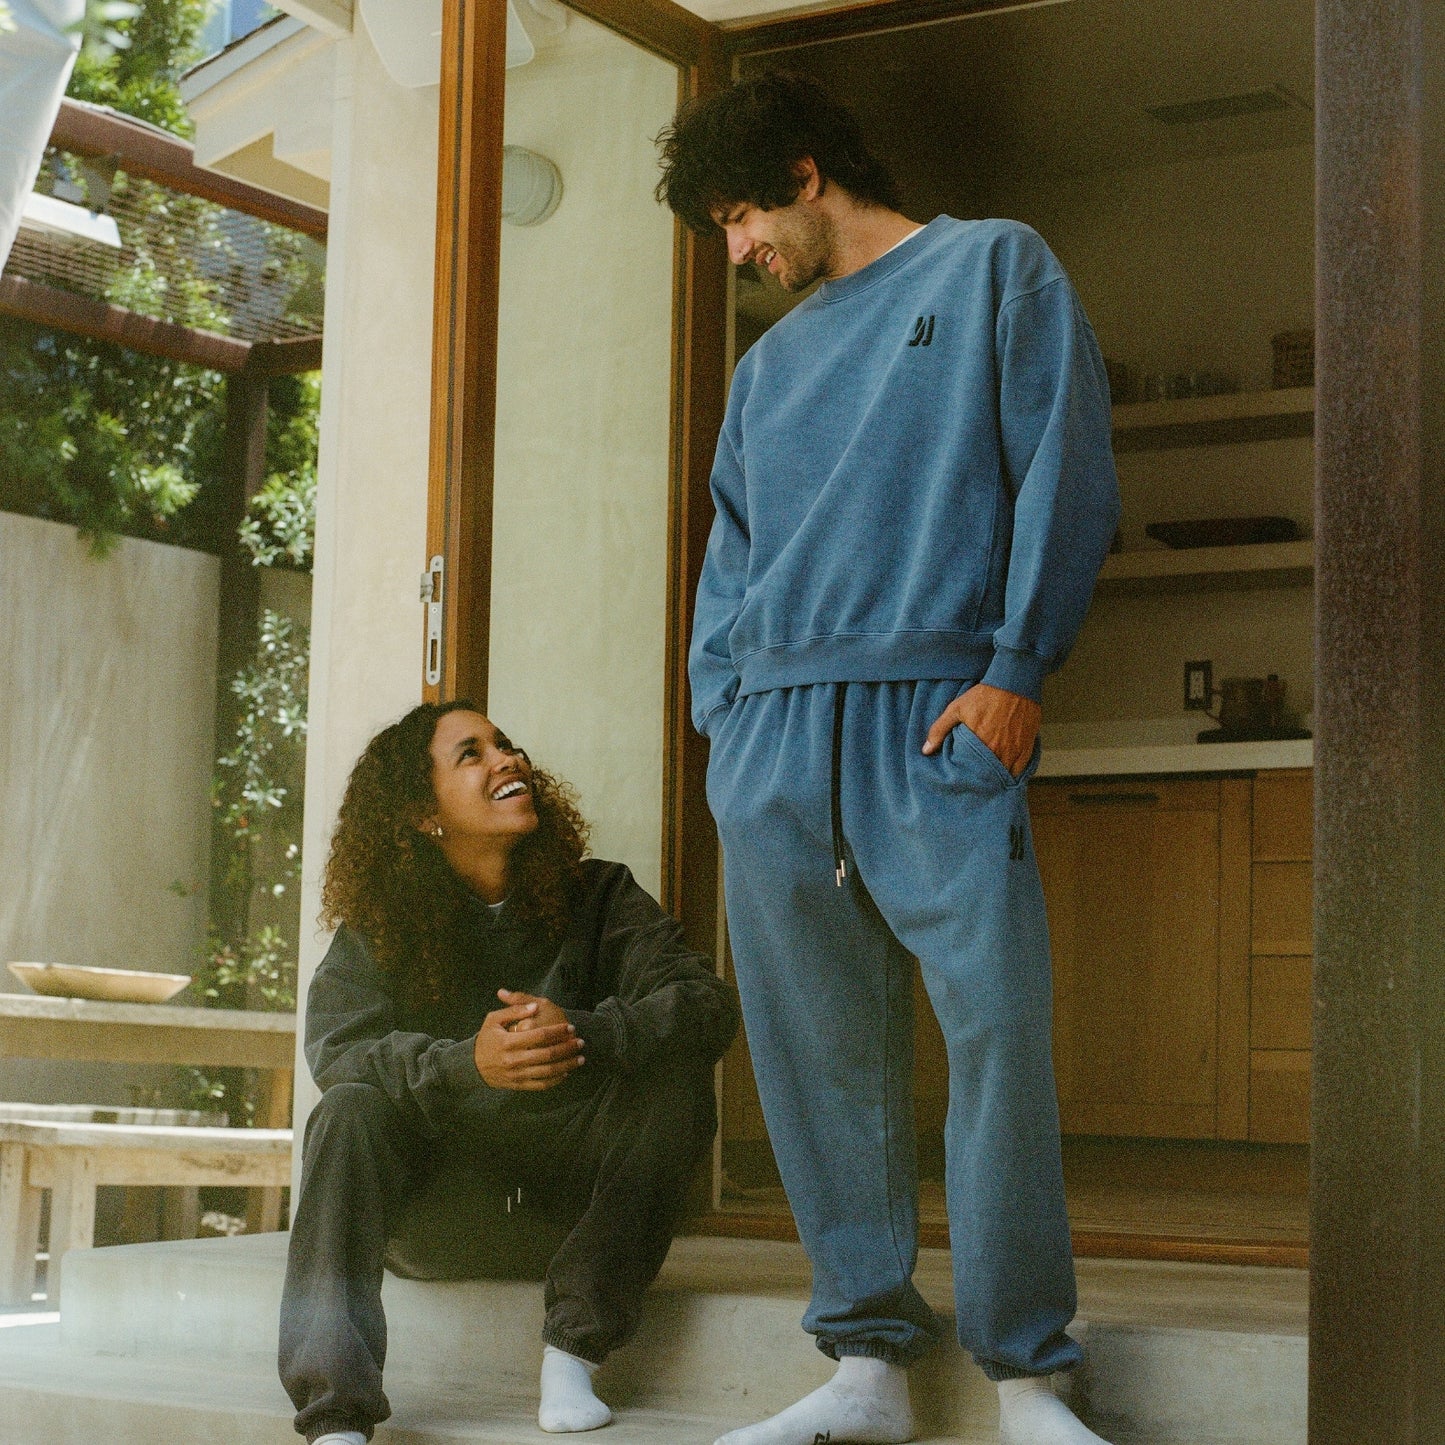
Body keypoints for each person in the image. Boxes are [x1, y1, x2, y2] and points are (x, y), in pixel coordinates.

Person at [656, 73, 1121, 1445]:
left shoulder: (994, 267)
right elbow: (727, 566)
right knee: (813, 1053)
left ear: (806, 175)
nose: (738, 254)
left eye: (740, 217)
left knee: (993, 1030)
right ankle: (864, 1364)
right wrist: (727, 726)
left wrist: (1014, 669)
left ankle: (1027, 1372)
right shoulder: (762, 371)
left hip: (937, 712)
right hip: (779, 742)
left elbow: (1065, 470)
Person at [278, 701, 739, 1444]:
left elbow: (705, 1004)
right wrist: (469, 1064)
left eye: (507, 745)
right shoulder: (384, 922)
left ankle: (571, 1354)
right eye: (472, 753)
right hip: (442, 1217)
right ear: (423, 813)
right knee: (349, 1111)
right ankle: (335, 1416)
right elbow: (338, 1049)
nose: (508, 759)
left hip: (570, 1218)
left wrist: (586, 1031)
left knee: (675, 1083)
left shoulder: (600, 894)